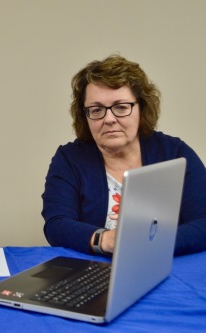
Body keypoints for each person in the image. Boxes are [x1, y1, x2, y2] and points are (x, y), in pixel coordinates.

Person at [42, 54, 206, 257]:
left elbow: (204, 223)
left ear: (142, 108)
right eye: (96, 109)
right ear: (85, 116)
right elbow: (57, 225)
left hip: (165, 266)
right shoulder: (69, 159)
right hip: (92, 271)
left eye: (121, 107)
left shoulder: (175, 153)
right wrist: (106, 240)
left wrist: (149, 242)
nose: (109, 119)